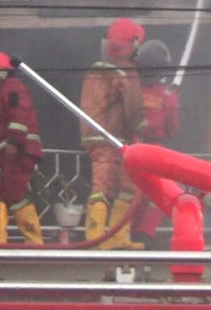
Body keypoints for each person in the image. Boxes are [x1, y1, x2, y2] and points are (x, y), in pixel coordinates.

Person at [80, 17, 146, 250]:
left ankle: (110, 238)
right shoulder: (126, 70)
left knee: (121, 186)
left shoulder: (96, 69)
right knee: (111, 187)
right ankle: (100, 239)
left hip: (95, 135)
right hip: (115, 137)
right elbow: (134, 107)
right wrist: (139, 127)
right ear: (135, 44)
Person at [0, 50, 44, 244]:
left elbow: (19, 115)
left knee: (15, 195)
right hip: (14, 152)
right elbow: (2, 132)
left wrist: (14, 142)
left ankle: (35, 244)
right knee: (1, 195)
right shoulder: (9, 89)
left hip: (19, 153)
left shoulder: (12, 87)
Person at [131, 39, 180, 249]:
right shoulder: (166, 95)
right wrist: (174, 99)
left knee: (130, 194)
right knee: (160, 193)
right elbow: (172, 129)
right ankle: (145, 234)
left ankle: (127, 235)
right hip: (155, 152)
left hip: (130, 149)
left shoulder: (130, 89)